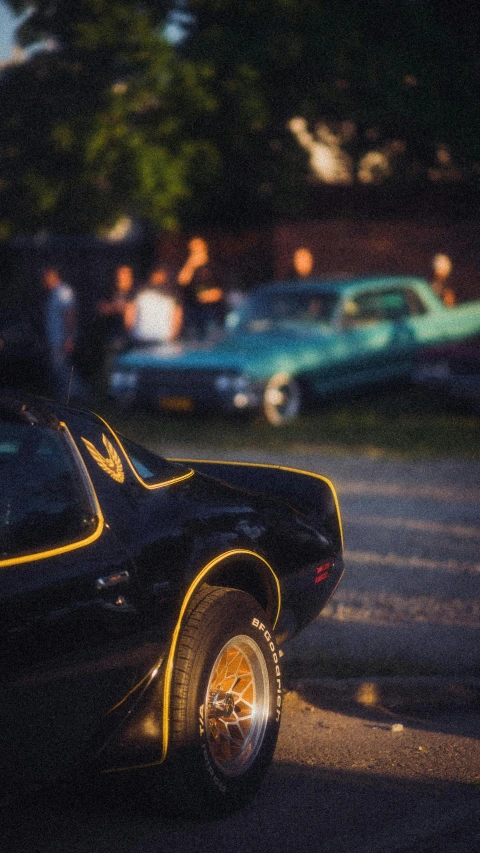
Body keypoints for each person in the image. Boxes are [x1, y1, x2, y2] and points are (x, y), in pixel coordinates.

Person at [42, 266, 86, 402]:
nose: (44, 282)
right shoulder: (54, 294)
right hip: (55, 339)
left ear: (53, 277)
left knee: (61, 368)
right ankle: (72, 394)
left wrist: (69, 338)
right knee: (60, 368)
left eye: (46, 279)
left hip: (62, 339)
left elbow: (69, 316)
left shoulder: (63, 292)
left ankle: (78, 393)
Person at [177, 237, 225, 340]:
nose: (195, 251)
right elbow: (182, 281)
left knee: (211, 339)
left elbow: (222, 288)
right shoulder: (188, 265)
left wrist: (212, 294)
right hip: (193, 309)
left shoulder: (214, 264)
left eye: (198, 248)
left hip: (211, 310)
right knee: (193, 340)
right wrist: (191, 265)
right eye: (192, 249)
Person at [131, 265, 183, 345]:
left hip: (145, 338)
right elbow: (129, 318)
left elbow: (128, 319)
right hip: (154, 339)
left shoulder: (139, 295)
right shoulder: (139, 296)